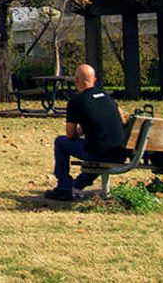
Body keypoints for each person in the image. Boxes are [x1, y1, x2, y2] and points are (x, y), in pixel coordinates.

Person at [45, 63, 127, 201]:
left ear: (76, 80)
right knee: (97, 147)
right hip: (119, 152)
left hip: (99, 153)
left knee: (61, 142)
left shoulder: (76, 101)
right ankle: (76, 186)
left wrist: (79, 131)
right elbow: (123, 119)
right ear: (94, 80)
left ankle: (64, 187)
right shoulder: (108, 97)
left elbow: (70, 134)